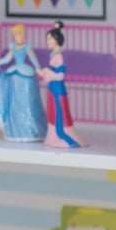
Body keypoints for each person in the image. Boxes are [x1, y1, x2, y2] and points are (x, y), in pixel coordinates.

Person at [0, 23, 47, 142]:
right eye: (15, 34)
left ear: (23, 34)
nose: (17, 36)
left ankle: (30, 129)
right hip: (15, 71)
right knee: (14, 99)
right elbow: (7, 59)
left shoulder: (27, 47)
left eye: (19, 33)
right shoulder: (13, 47)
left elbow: (33, 58)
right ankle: (15, 127)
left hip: (25, 71)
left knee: (27, 100)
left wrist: (38, 68)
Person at [40, 20, 87, 149]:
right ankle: (53, 137)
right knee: (53, 114)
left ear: (56, 40)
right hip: (52, 89)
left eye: (50, 39)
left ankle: (70, 140)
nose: (48, 42)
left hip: (57, 91)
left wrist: (47, 73)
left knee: (59, 116)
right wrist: (45, 74)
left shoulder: (58, 56)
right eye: (47, 39)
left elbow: (60, 76)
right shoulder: (54, 55)